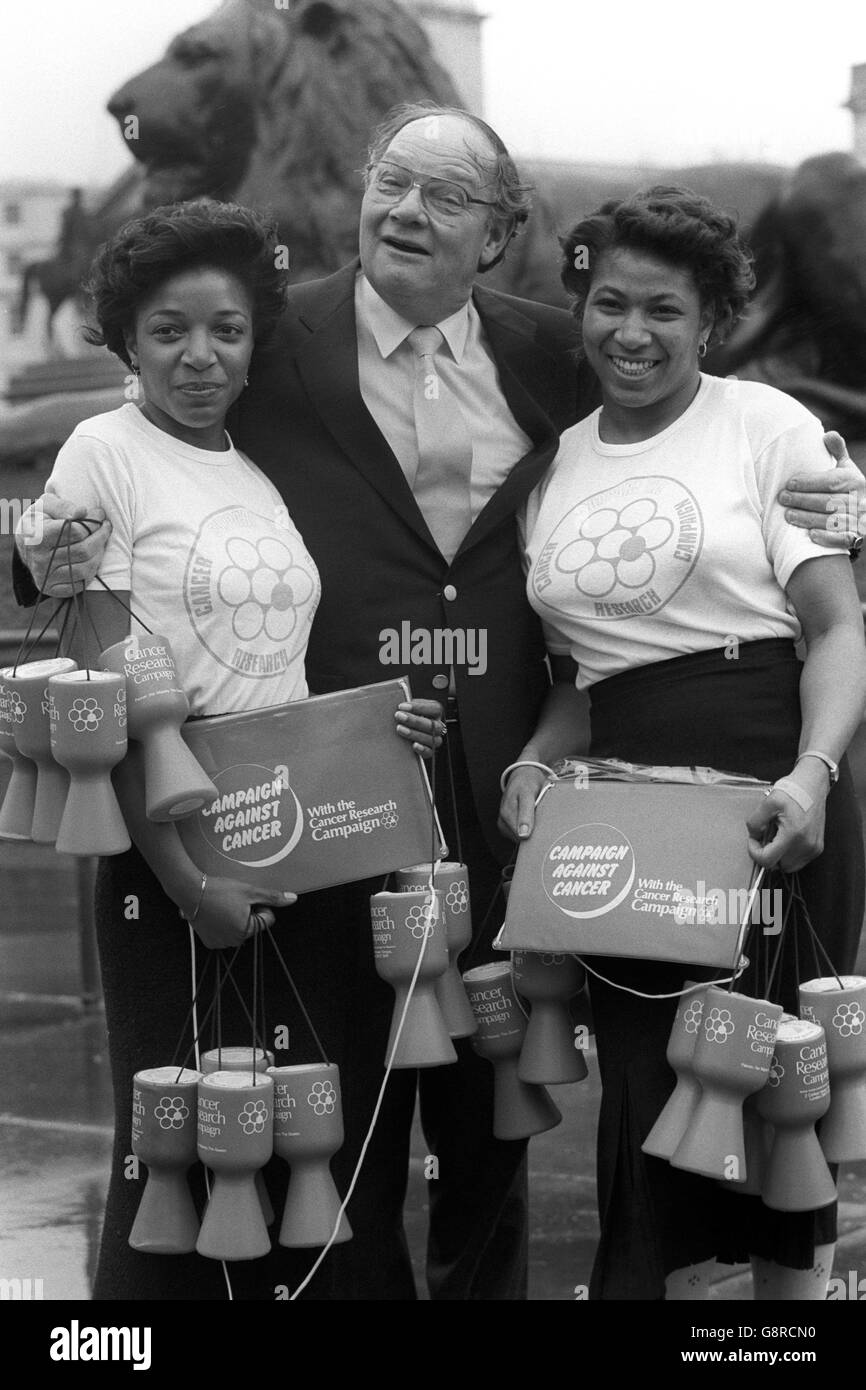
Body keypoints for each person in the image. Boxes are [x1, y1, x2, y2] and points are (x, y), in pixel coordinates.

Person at [15, 106, 865, 1302]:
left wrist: (834, 483)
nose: (406, 212)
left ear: (497, 236)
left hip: (518, 795)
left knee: (495, 1133)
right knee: (320, 1113)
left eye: (444, 198)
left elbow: (692, 414)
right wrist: (33, 557)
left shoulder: (552, 347)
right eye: (390, 183)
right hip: (313, 799)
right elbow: (127, 458)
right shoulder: (265, 334)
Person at [31, 197, 443, 1301]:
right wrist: (184, 877)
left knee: (300, 1122)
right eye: (168, 330)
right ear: (125, 339)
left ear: (256, 337)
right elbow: (105, 698)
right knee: (174, 1142)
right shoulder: (101, 457)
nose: (199, 356)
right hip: (173, 843)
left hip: (294, 833)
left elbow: (282, 673)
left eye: (224, 328)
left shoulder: (253, 468)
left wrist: (381, 736)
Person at [499, 185, 866, 1301]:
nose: (630, 333)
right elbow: (577, 682)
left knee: (774, 1094)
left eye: (664, 310)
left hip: (772, 792)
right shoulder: (550, 468)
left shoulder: (767, 426)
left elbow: (836, 626)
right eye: (608, 303)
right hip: (627, 809)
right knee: (649, 1107)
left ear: (709, 321)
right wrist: (531, 762)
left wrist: (811, 777)